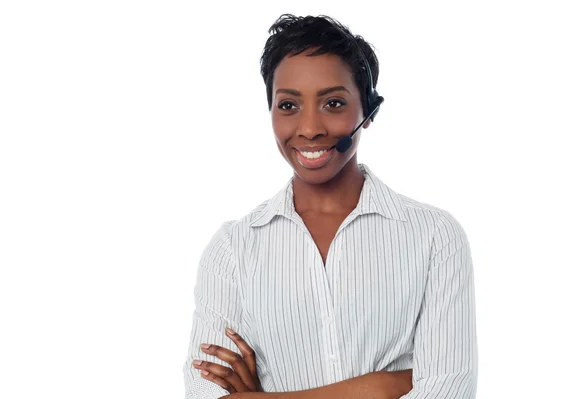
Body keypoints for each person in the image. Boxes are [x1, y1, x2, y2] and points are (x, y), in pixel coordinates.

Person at [183, 13, 478, 399]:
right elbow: (204, 393)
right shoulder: (233, 249)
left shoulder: (435, 237)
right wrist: (384, 386)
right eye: (288, 105)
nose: (309, 128)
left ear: (368, 111)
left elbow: (448, 392)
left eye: (333, 103)